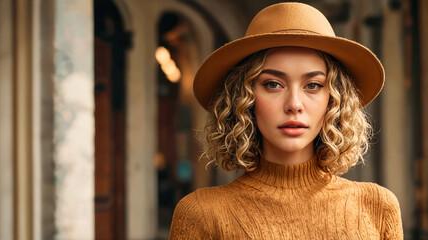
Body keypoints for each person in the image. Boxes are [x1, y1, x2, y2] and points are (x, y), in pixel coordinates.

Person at [169, 2, 403, 239]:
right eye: (273, 84)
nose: (294, 104)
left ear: (334, 99)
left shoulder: (378, 207)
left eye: (313, 85)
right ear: (244, 97)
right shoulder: (200, 214)